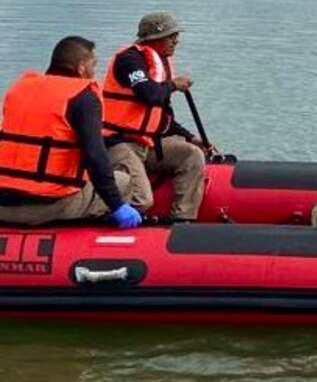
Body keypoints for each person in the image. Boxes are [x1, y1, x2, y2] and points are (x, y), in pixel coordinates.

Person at [0, 36, 142, 228]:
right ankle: (99, 235)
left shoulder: (19, 90)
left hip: (3, 204)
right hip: (47, 206)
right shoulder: (83, 97)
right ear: (81, 68)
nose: (94, 72)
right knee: (123, 180)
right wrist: (117, 205)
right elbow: (95, 157)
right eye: (93, 65)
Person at [103, 12, 210, 221]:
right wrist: (173, 85)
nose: (176, 41)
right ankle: (100, 220)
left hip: (146, 144)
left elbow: (161, 117)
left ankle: (182, 220)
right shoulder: (129, 61)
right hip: (118, 144)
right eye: (172, 36)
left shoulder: (159, 64)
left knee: (191, 155)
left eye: (176, 36)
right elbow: (150, 94)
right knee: (142, 200)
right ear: (154, 37)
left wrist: (190, 137)